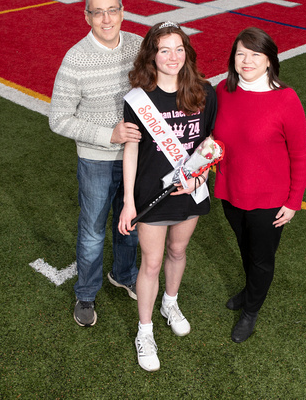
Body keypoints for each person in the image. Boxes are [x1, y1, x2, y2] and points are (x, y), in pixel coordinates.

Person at [118, 22, 217, 371]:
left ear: (187, 53)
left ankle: (170, 303)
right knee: (152, 262)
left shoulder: (205, 92)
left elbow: (210, 145)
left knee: (178, 250)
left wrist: (199, 174)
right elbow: (131, 150)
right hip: (151, 193)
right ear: (152, 55)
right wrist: (129, 201)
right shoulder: (138, 98)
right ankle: (144, 331)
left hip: (190, 191)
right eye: (164, 50)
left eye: (179, 49)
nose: (172, 57)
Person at [49, 0, 143, 328]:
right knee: (92, 231)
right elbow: (58, 118)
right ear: (87, 17)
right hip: (96, 161)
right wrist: (109, 136)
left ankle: (124, 274)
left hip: (137, 157)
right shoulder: (75, 59)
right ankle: (86, 294)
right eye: (98, 12)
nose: (106, 19)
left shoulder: (138, 46)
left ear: (123, 12)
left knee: (128, 223)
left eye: (112, 10)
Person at [214, 27, 306, 343]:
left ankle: (251, 310)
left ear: (269, 60)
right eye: (241, 53)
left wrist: (293, 202)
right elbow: (213, 140)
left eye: (255, 54)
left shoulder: (286, 98)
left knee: (261, 258)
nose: (247, 60)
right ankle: (249, 290)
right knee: (246, 249)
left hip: (270, 200)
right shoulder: (222, 91)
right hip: (231, 193)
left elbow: (300, 154)